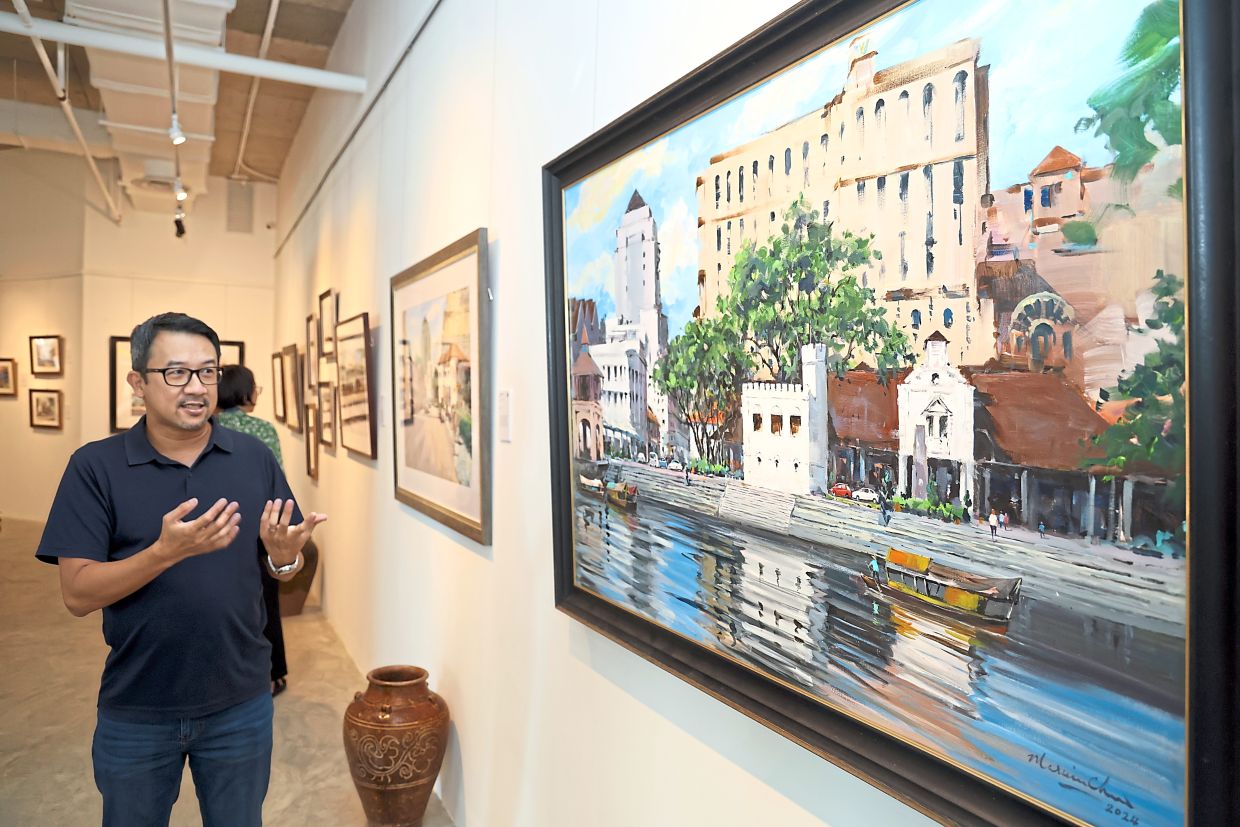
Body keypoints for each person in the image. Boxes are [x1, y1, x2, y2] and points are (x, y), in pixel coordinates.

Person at [35, 313, 326, 827]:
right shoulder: (94, 467)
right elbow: (77, 595)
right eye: (176, 373)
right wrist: (162, 553)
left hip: (241, 702)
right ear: (138, 383)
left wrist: (284, 557)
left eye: (208, 372)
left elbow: (283, 566)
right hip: (139, 707)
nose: (196, 388)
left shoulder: (253, 457)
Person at [216, 365, 290, 698]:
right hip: (259, 525)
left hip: (216, 523)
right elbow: (276, 482)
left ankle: (222, 670)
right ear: (245, 392)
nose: (257, 392)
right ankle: (273, 673)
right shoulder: (263, 430)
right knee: (265, 597)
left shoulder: (208, 427)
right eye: (255, 387)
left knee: (220, 598)